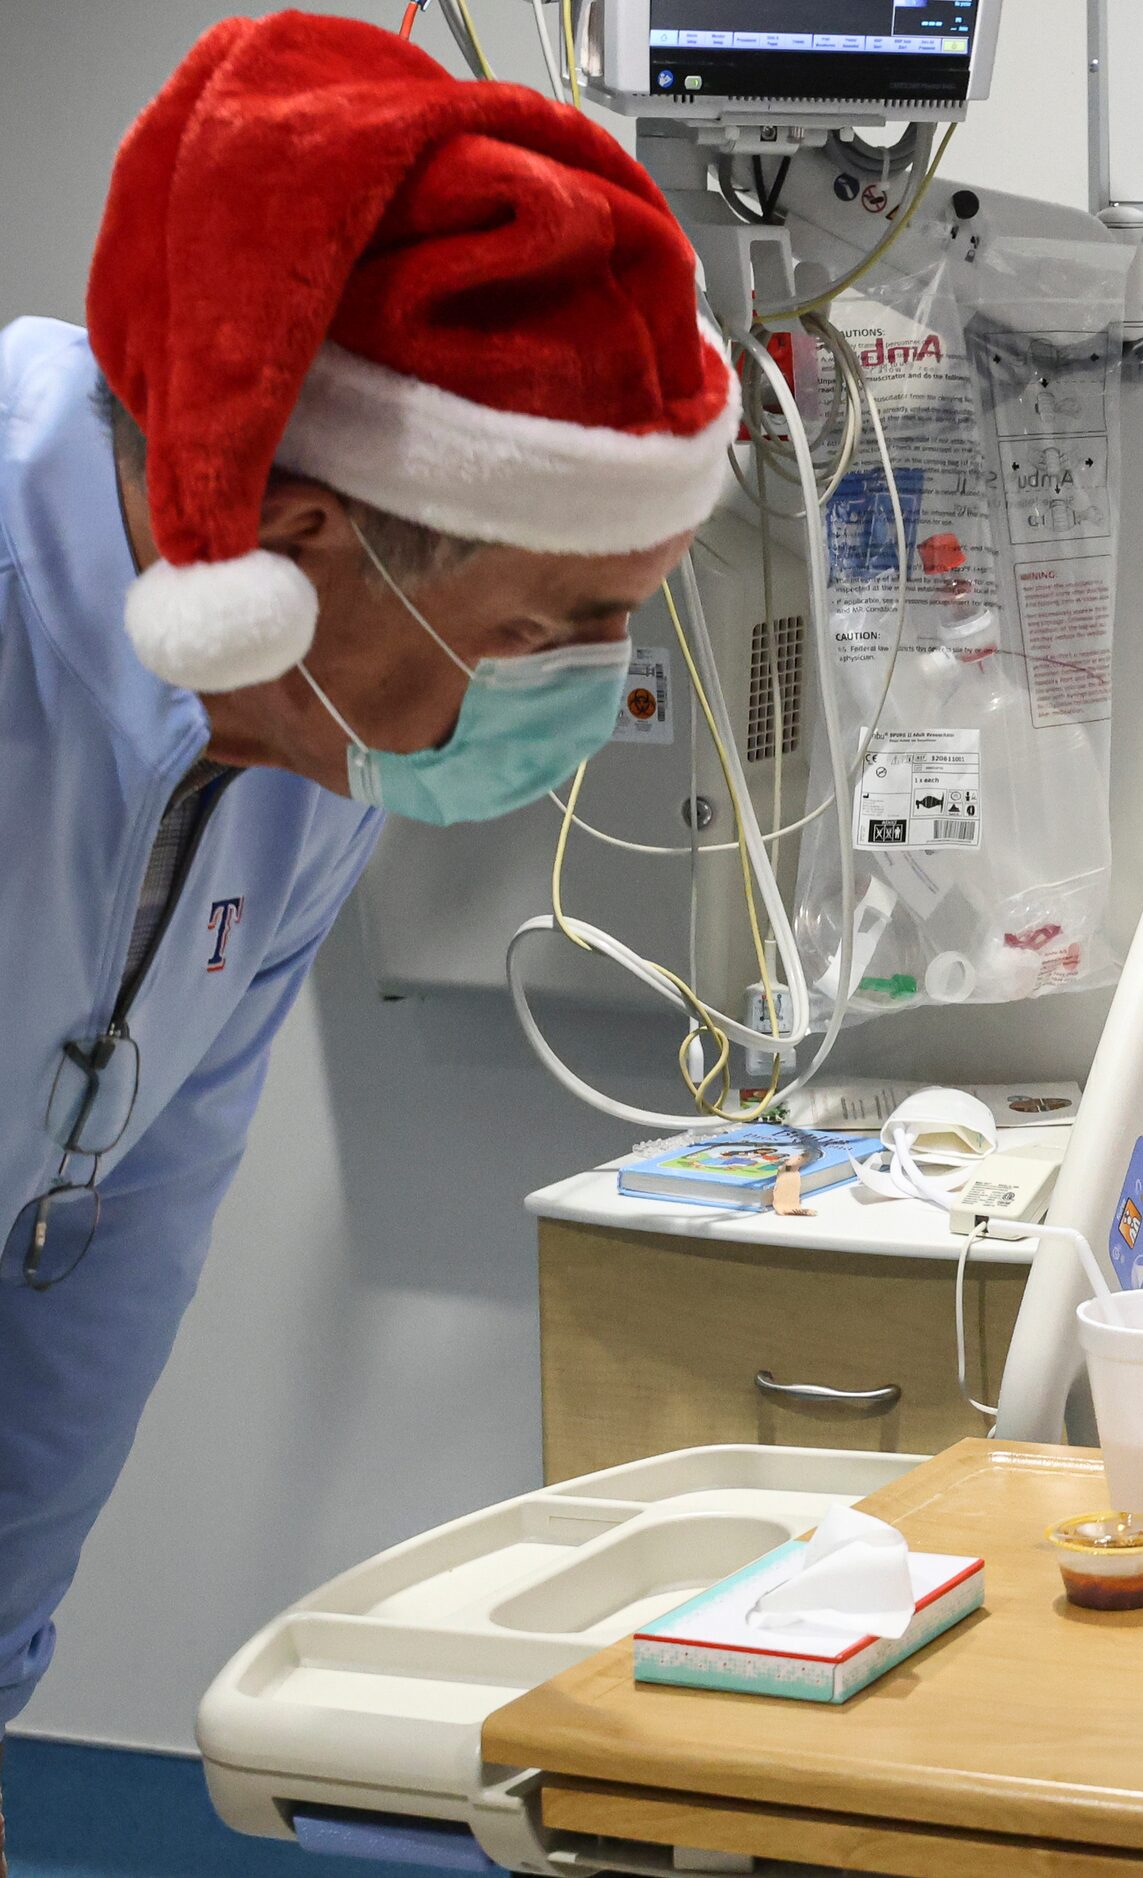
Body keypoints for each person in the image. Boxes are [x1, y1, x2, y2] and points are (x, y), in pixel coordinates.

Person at [0, 15, 737, 1844]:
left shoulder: (297, 720)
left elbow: (124, 1214)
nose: (582, 689)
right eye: (541, 624)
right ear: (308, 531)